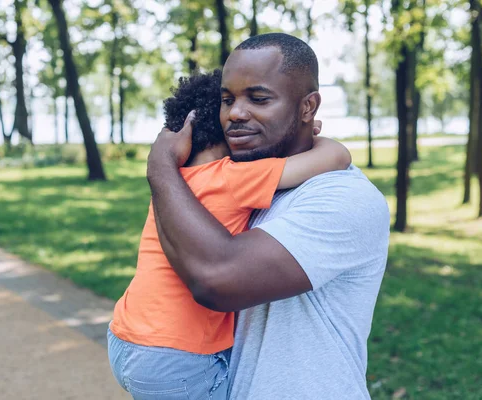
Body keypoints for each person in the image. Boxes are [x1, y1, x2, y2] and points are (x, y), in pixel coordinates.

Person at [146, 33, 390, 399]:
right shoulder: (243, 180)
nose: (235, 114)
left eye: (258, 98)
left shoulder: (343, 197)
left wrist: (161, 167)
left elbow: (216, 280)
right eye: (226, 100)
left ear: (308, 108)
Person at [107, 69, 352, 399]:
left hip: (125, 337)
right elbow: (337, 157)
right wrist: (312, 137)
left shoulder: (174, 183)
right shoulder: (231, 177)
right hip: (176, 355)